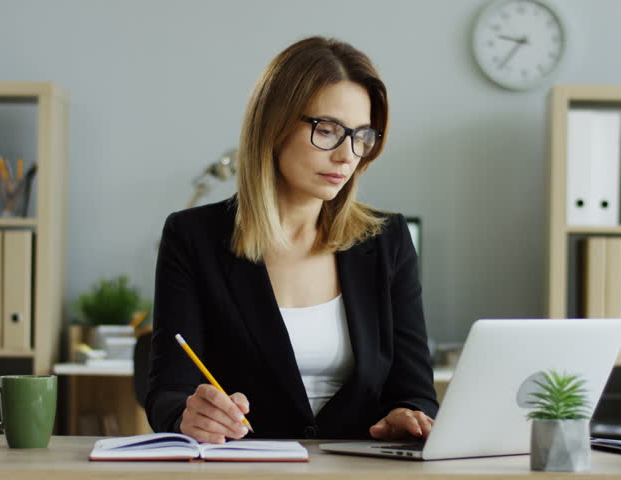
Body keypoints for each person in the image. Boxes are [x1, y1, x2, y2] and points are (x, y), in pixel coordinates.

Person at [147, 36, 438, 443]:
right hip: (242, 469)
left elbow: (415, 391)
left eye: (361, 136)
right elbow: (168, 391)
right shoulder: (193, 237)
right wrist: (187, 415)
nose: (346, 156)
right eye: (329, 130)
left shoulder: (387, 241)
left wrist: (408, 415)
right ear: (274, 125)